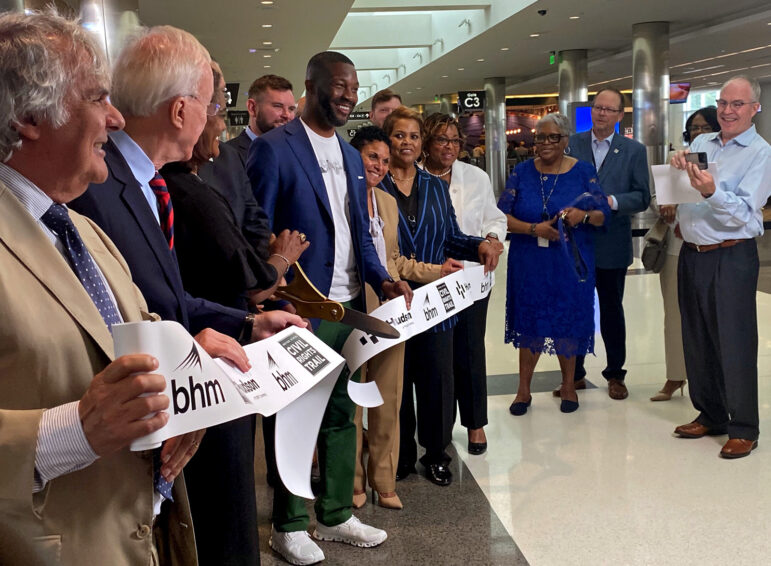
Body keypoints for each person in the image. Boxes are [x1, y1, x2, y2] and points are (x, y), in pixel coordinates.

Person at [69, 26, 305, 566]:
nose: (213, 118)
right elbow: (103, 320)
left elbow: (167, 298)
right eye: (211, 104)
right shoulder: (98, 189)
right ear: (181, 111)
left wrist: (247, 324)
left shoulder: (146, 181)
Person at [0, 11, 201, 564]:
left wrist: (192, 368)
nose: (116, 118)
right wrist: (74, 433)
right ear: (30, 117)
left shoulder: (81, 229)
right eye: (97, 97)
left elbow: (131, 334)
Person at [248, 51, 412, 566]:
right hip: (302, 304)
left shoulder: (346, 152)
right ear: (311, 84)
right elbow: (255, 230)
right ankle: (289, 524)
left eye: (354, 87)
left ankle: (337, 514)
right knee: (296, 413)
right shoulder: (276, 148)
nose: (347, 95)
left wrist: (382, 278)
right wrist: (270, 284)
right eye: (339, 85)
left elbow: (359, 227)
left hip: (347, 303)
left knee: (343, 410)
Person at [379, 106, 501, 487]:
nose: (408, 143)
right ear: (388, 140)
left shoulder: (434, 186)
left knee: (437, 379)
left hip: (435, 302)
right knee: (396, 380)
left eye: (414, 136)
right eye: (400, 135)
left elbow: (450, 235)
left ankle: (435, 452)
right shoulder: (374, 184)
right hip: (393, 299)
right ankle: (399, 454)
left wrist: (480, 243)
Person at [349, 126, 461, 510]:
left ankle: (384, 478)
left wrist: (437, 272)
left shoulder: (387, 203)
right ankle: (353, 481)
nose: (379, 165)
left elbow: (395, 259)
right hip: (351, 310)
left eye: (383, 159)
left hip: (390, 309)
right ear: (353, 159)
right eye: (371, 158)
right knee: (352, 403)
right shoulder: (340, 200)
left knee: (388, 399)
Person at [670, 76, 770, 459]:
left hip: (731, 255)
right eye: (724, 103)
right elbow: (684, 189)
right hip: (692, 252)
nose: (728, 111)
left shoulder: (761, 153)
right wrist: (678, 166)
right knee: (697, 337)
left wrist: (711, 190)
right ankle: (710, 412)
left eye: (738, 105)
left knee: (734, 340)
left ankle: (743, 426)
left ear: (754, 109)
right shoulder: (701, 143)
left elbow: (745, 213)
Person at [498, 113, 610, 415]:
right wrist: (534, 229)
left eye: (552, 137)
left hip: (569, 261)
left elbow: (602, 215)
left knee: (567, 321)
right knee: (530, 321)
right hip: (529, 262)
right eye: (539, 138)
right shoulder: (521, 172)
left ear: (565, 141)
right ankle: (523, 390)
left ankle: (569, 385)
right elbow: (501, 216)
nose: (545, 144)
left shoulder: (583, 171)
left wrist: (582, 216)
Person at [421, 113, 506, 455]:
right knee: (436, 360)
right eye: (442, 140)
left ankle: (475, 425)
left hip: (473, 277)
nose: (450, 147)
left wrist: (491, 237)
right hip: (430, 280)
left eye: (455, 141)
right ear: (427, 142)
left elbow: (494, 217)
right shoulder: (416, 177)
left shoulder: (476, 177)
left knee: (470, 352)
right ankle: (436, 433)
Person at [562, 88, 650, 400]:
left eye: (609, 109)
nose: (601, 114)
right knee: (577, 309)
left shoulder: (633, 151)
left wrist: (611, 201)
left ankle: (615, 374)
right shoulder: (572, 143)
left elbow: (642, 197)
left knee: (612, 310)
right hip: (575, 244)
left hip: (612, 245)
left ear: (619, 115)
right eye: (598, 108)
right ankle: (576, 374)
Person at [650, 106, 720, 402]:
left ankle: (714, 379)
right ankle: (676, 375)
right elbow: (657, 197)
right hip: (677, 248)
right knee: (675, 315)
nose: (699, 133)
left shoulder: (722, 161)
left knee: (713, 316)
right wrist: (665, 206)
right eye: (695, 128)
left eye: (705, 127)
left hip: (714, 247)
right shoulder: (675, 160)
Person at [228, 74, 296, 166]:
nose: (287, 115)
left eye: (291, 109)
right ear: (252, 108)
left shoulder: (297, 152)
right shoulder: (227, 156)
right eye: (278, 106)